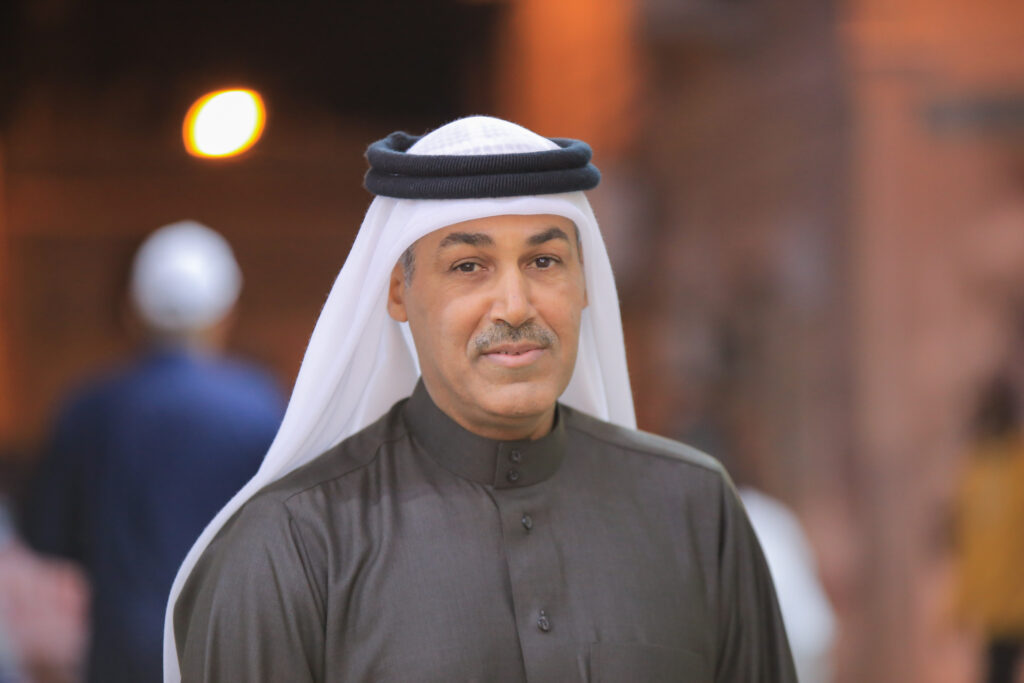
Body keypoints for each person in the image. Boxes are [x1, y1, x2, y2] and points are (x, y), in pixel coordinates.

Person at [168, 116, 796, 682]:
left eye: (544, 261)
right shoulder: (289, 548)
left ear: (584, 284)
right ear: (397, 292)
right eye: (468, 266)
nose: (516, 306)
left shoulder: (694, 510)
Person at [23, 221, 284, 683]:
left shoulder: (90, 408)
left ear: (132, 310)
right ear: (225, 312)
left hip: (120, 654)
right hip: (226, 654)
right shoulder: (259, 409)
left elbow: (45, 533)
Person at [954, 374, 1024, 683]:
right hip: (999, 608)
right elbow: (969, 543)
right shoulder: (976, 472)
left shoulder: (1014, 465)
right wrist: (963, 601)